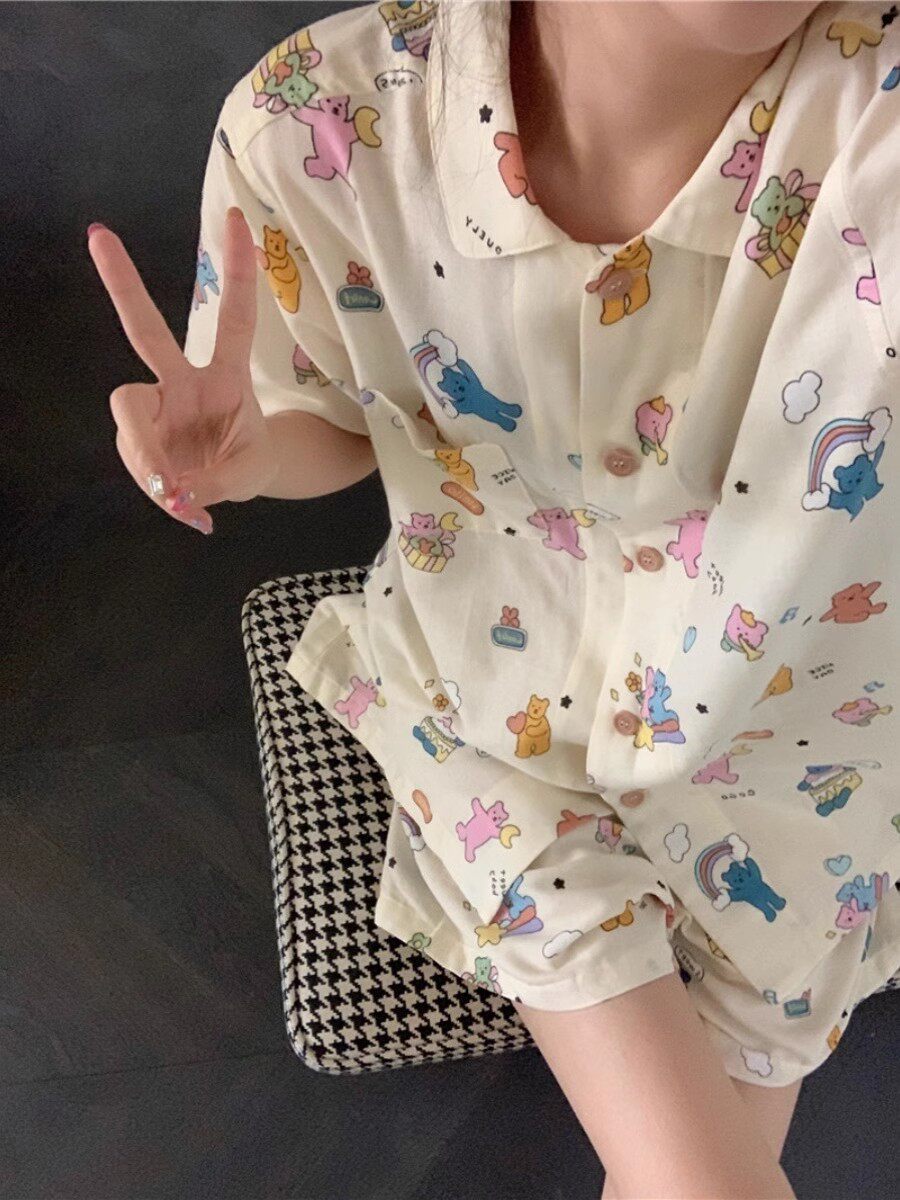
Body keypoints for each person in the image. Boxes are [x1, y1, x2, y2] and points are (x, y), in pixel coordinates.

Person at [87, 2, 900, 1195]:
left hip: (794, 746)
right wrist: (253, 452)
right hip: (502, 719)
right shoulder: (317, 121)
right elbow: (332, 413)